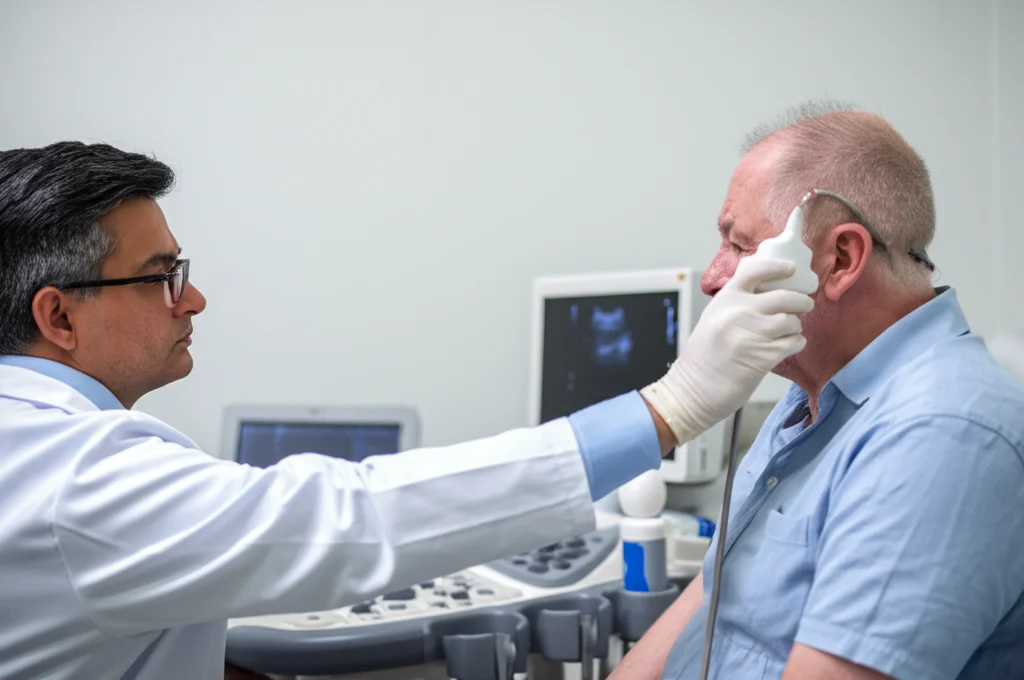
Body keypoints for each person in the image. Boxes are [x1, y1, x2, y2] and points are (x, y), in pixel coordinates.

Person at [0, 142, 813, 680]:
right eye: (161, 276)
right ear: (58, 317)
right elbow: (349, 519)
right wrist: (669, 407)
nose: (195, 299)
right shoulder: (76, 478)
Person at [610, 101, 1024, 680]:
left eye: (739, 245)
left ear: (839, 259)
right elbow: (709, 597)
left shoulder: (942, 432)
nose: (711, 277)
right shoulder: (809, 398)